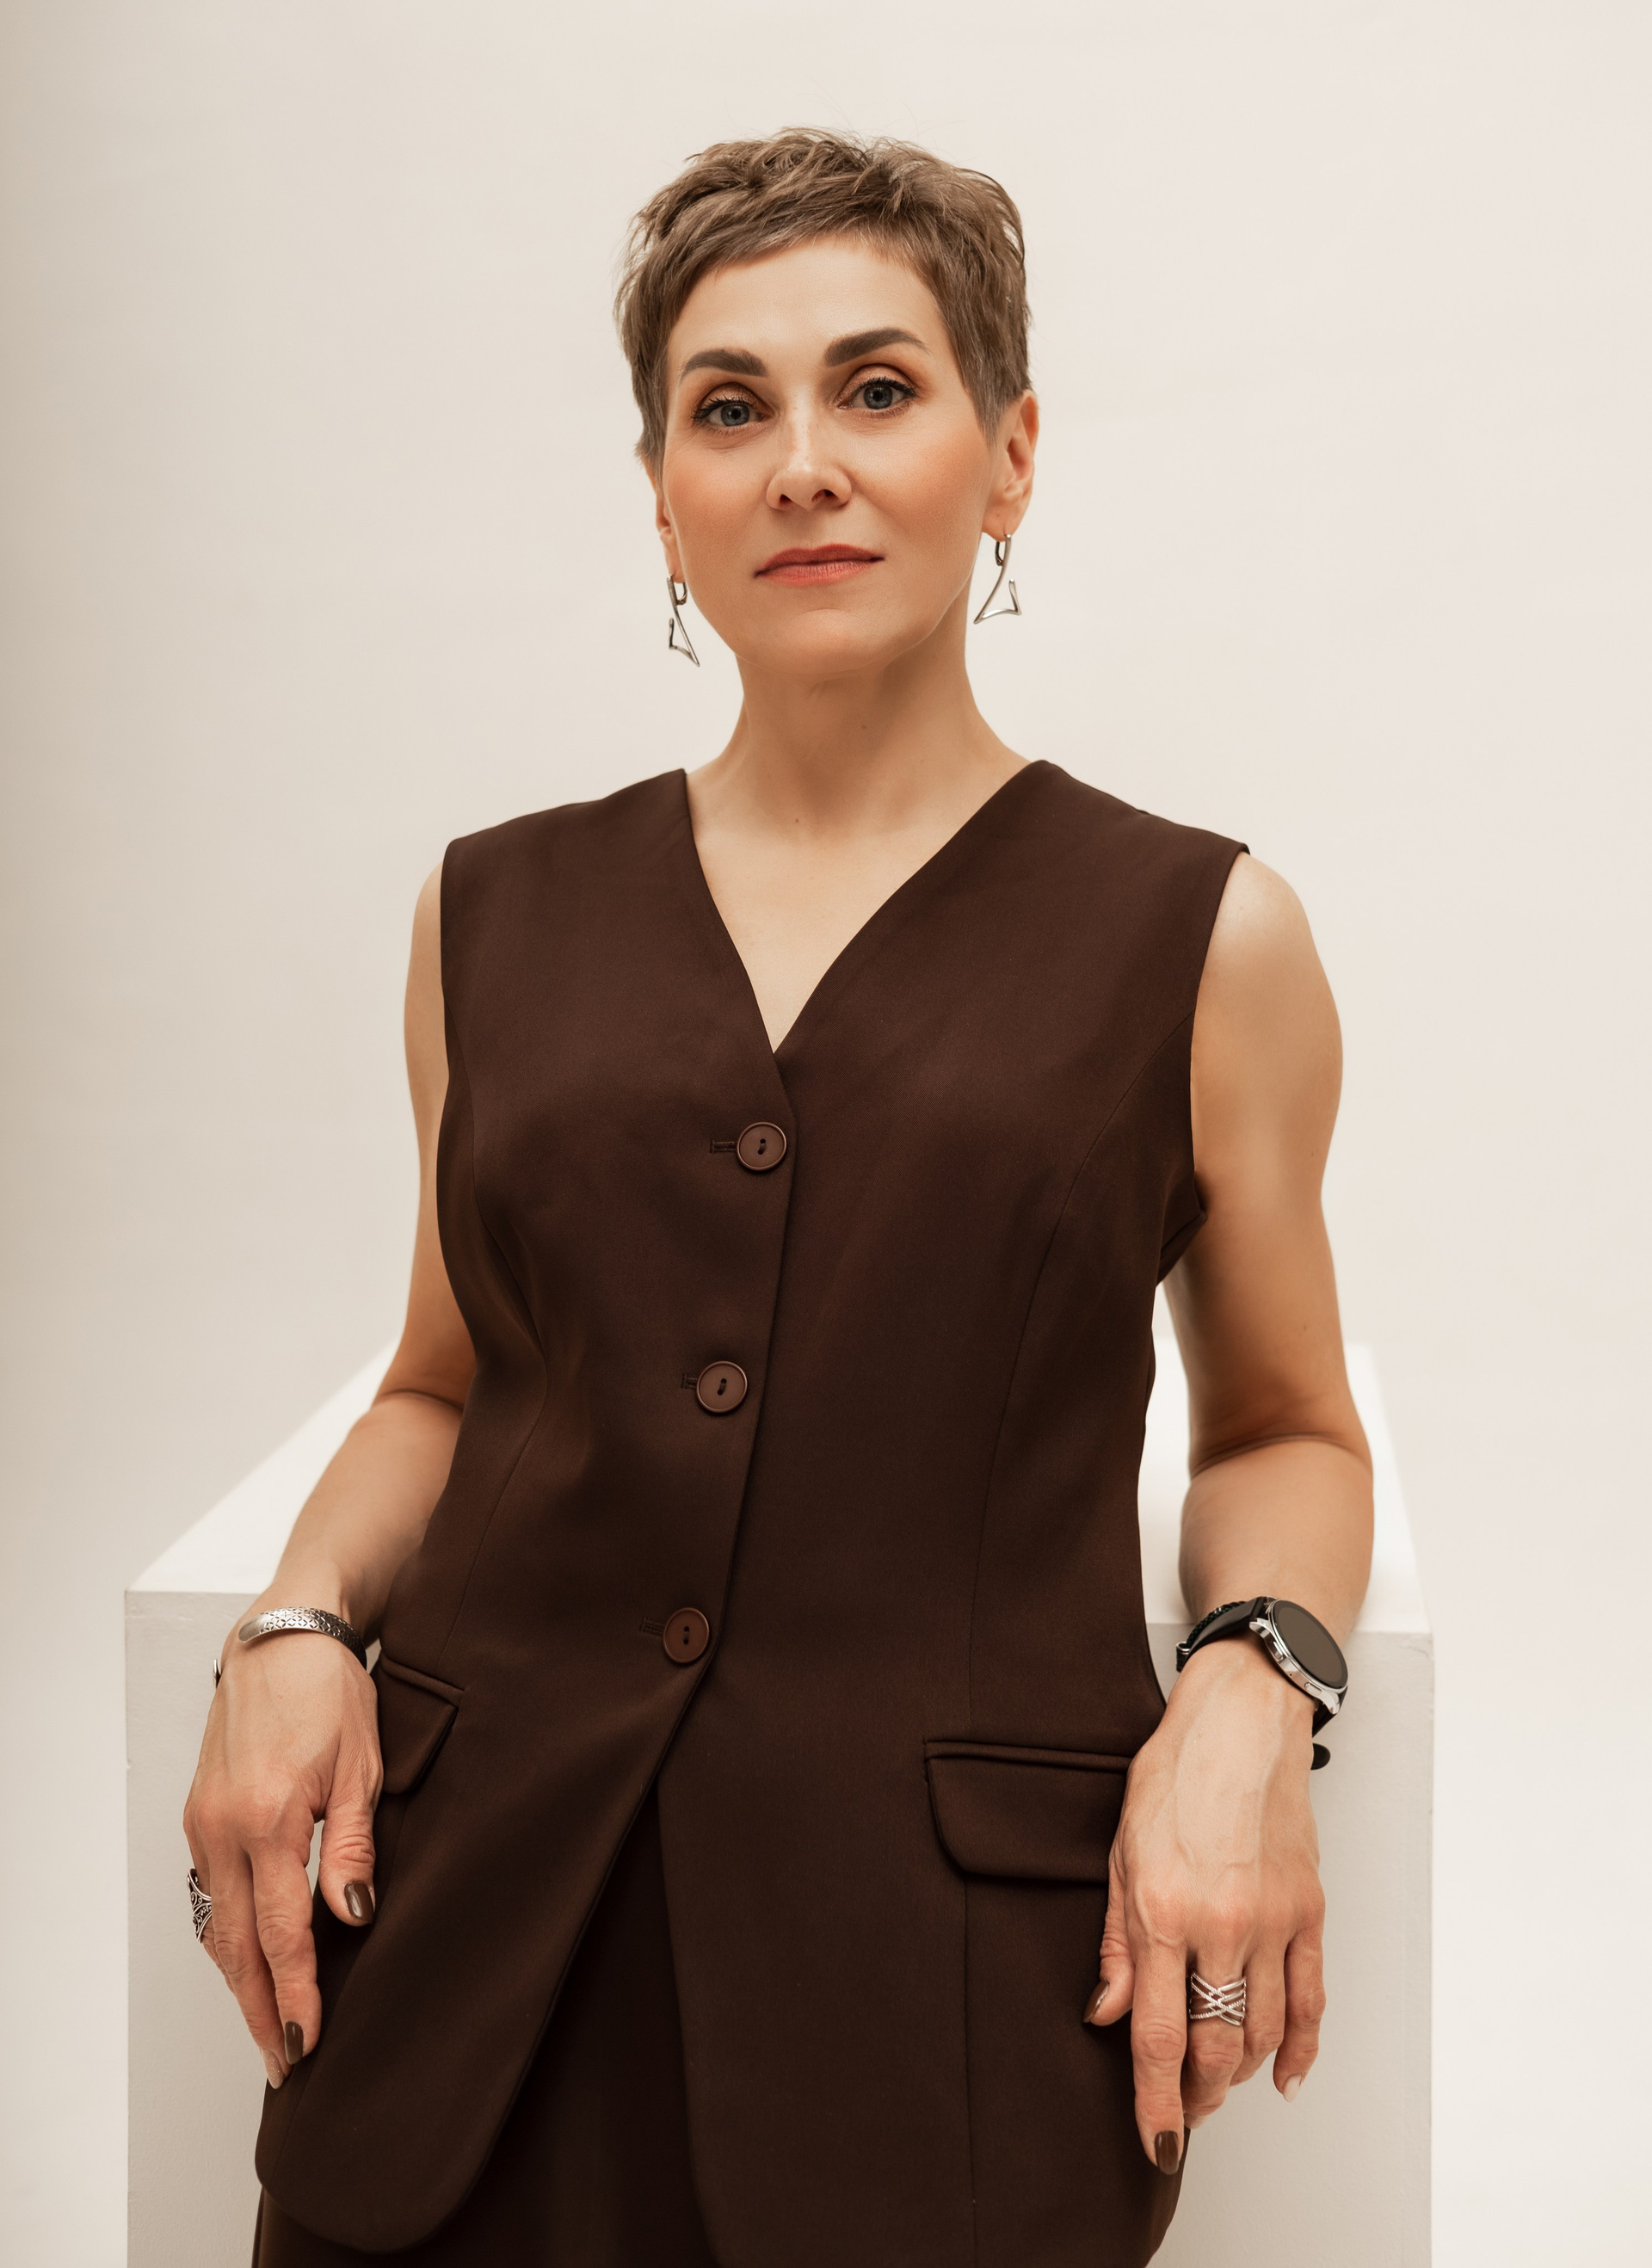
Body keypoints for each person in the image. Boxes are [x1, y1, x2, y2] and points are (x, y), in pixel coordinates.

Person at [184, 129, 1373, 2268]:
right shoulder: (487, 914)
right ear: (663, 494)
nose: (802, 463)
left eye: (878, 389)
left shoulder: (1206, 938)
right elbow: (444, 1382)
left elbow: (1288, 1426)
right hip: (463, 1991)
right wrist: (291, 1623)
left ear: (1010, 456)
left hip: (942, 2033)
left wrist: (1250, 1688)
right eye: (728, 408)